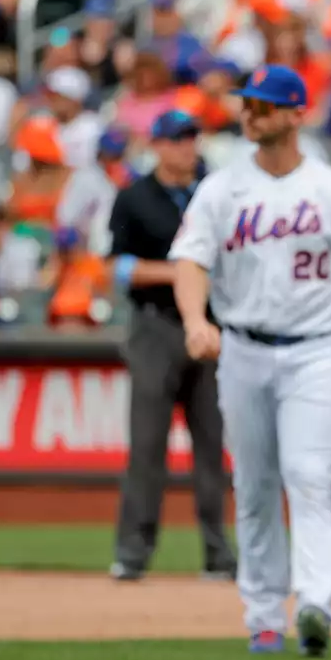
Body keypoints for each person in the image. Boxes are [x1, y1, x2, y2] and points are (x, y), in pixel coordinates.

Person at [169, 65, 331, 658]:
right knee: (254, 484)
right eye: (248, 104)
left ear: (297, 114)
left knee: (311, 475)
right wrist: (196, 321)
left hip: (315, 351)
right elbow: (189, 261)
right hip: (241, 348)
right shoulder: (220, 188)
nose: (251, 114)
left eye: (265, 107)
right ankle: (265, 616)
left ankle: (317, 603)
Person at [105, 110, 236, 583]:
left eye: (190, 138)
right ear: (157, 145)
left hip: (212, 326)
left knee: (211, 445)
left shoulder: (215, 190)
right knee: (146, 447)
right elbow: (119, 269)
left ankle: (218, 555)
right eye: (177, 139)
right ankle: (132, 553)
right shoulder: (134, 197)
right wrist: (185, 270)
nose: (186, 147)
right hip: (155, 326)